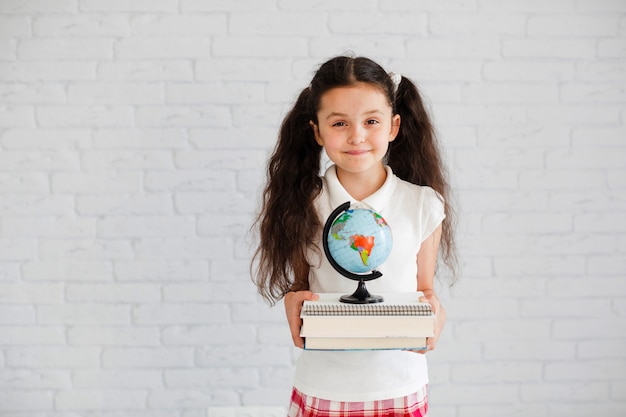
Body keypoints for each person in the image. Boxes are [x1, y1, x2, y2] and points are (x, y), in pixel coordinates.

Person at [251, 55, 457, 417]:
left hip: (400, 385)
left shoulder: (423, 205)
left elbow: (425, 290)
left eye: (371, 121)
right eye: (340, 123)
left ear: (394, 126)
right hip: (324, 385)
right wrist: (293, 300)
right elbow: (302, 286)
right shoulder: (303, 204)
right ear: (317, 131)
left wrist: (434, 314)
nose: (357, 136)